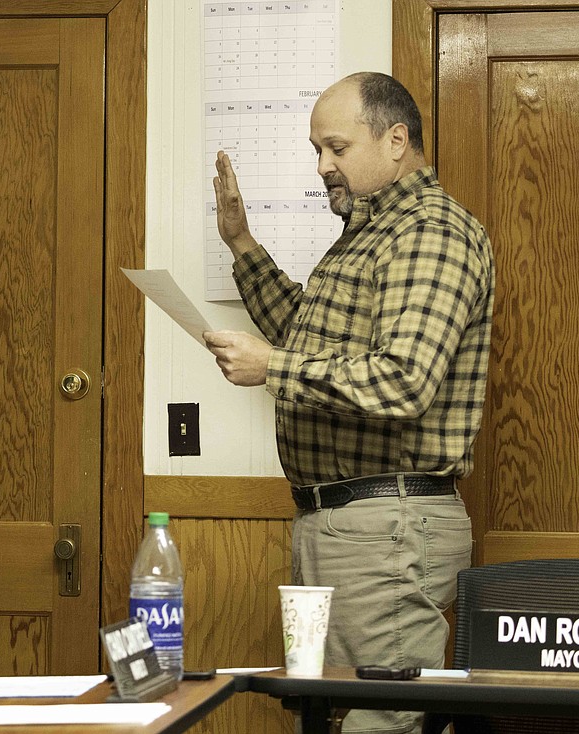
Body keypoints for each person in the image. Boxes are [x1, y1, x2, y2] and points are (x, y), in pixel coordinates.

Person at [205, 72, 494, 734]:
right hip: (346, 527)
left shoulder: (428, 232)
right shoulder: (371, 232)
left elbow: (402, 379)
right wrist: (242, 244)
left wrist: (272, 366)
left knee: (383, 724)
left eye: (335, 147)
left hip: (387, 530)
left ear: (396, 140)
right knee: (344, 719)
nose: (322, 166)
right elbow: (313, 335)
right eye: (317, 150)